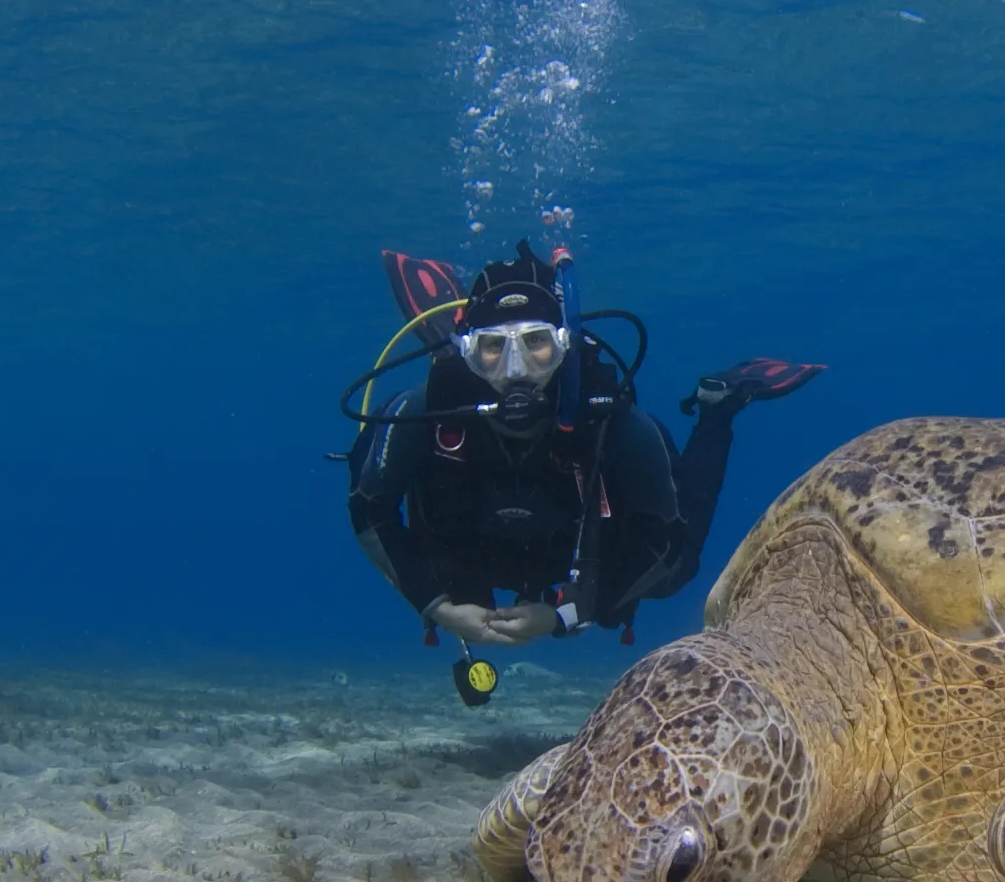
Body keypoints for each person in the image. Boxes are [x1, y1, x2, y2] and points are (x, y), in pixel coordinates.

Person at [344, 243, 819, 687]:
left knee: (677, 572)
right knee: (453, 579)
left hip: (573, 549)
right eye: (493, 347)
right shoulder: (425, 410)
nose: (515, 370)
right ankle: (450, 331)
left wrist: (568, 614)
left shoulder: (609, 420)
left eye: (536, 344)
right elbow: (369, 506)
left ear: (565, 345)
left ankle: (717, 408)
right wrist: (438, 605)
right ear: (469, 353)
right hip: (471, 548)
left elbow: (665, 541)